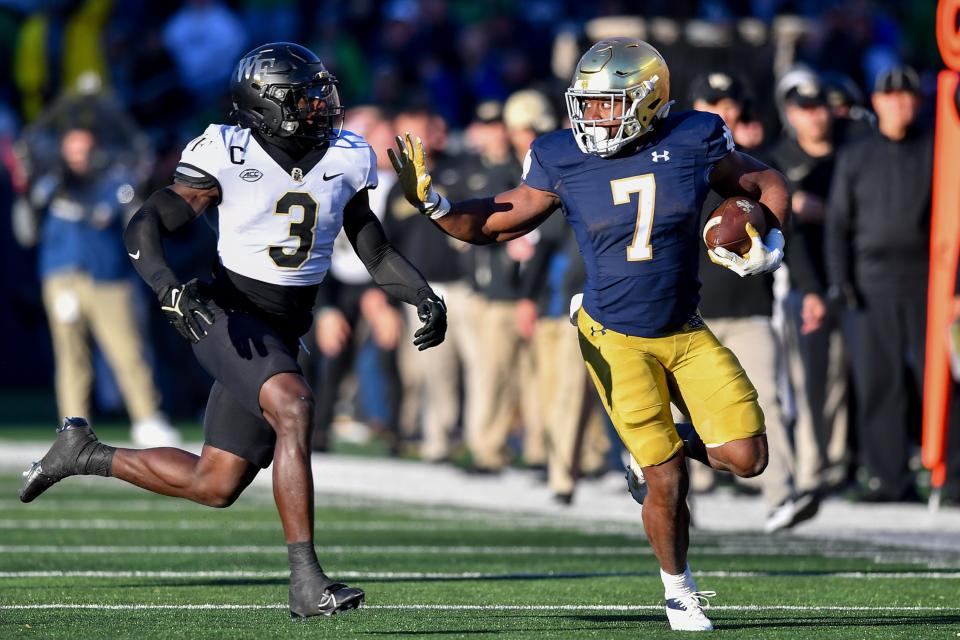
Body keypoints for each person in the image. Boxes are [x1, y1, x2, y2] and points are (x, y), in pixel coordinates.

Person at [19, 42, 447, 620]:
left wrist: (421, 294)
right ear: (264, 105)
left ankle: (84, 454)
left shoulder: (347, 155)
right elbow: (148, 221)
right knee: (293, 407)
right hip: (227, 315)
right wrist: (168, 287)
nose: (321, 105)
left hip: (283, 326)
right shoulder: (226, 148)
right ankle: (305, 582)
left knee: (214, 483)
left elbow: (374, 249)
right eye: (304, 96)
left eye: (322, 93)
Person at [390, 38, 789, 631]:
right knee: (668, 479)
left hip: (683, 327)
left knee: (747, 457)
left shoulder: (696, 136)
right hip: (613, 334)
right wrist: (438, 205)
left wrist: (765, 234)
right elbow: (502, 219)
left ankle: (659, 445)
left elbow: (766, 184)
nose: (593, 116)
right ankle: (678, 590)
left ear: (648, 100)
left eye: (608, 104)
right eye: (589, 103)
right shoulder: (560, 153)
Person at [689, 72, 818, 533]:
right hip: (690, 311)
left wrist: (805, 283)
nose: (725, 114)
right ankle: (676, 498)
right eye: (714, 103)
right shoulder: (679, 166)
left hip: (749, 307)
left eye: (734, 109)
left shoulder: (756, 170)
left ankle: (782, 494)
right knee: (673, 409)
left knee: (764, 398)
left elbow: (786, 231)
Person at [16, 121, 179, 448]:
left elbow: (135, 222)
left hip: (107, 278)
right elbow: (26, 232)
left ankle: (147, 417)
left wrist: (141, 185)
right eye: (73, 150)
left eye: (85, 150)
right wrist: (32, 194)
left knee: (128, 350)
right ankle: (73, 426)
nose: (79, 157)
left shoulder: (116, 183)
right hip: (62, 277)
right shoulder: (51, 183)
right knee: (70, 357)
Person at [826, 65, 933, 501]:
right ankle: (889, 478)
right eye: (892, 97)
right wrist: (840, 282)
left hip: (929, 278)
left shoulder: (937, 150)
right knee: (877, 380)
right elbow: (837, 224)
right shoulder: (856, 155)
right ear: (877, 102)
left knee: (940, 379)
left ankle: (953, 473)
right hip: (870, 280)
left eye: (908, 97)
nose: (900, 105)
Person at [768, 77, 850, 499]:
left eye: (820, 107)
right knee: (800, 381)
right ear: (792, 113)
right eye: (805, 108)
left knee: (836, 375)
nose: (815, 116)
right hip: (799, 283)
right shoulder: (780, 158)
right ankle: (809, 467)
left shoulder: (845, 155)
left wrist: (831, 211)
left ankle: (835, 463)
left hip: (844, 279)